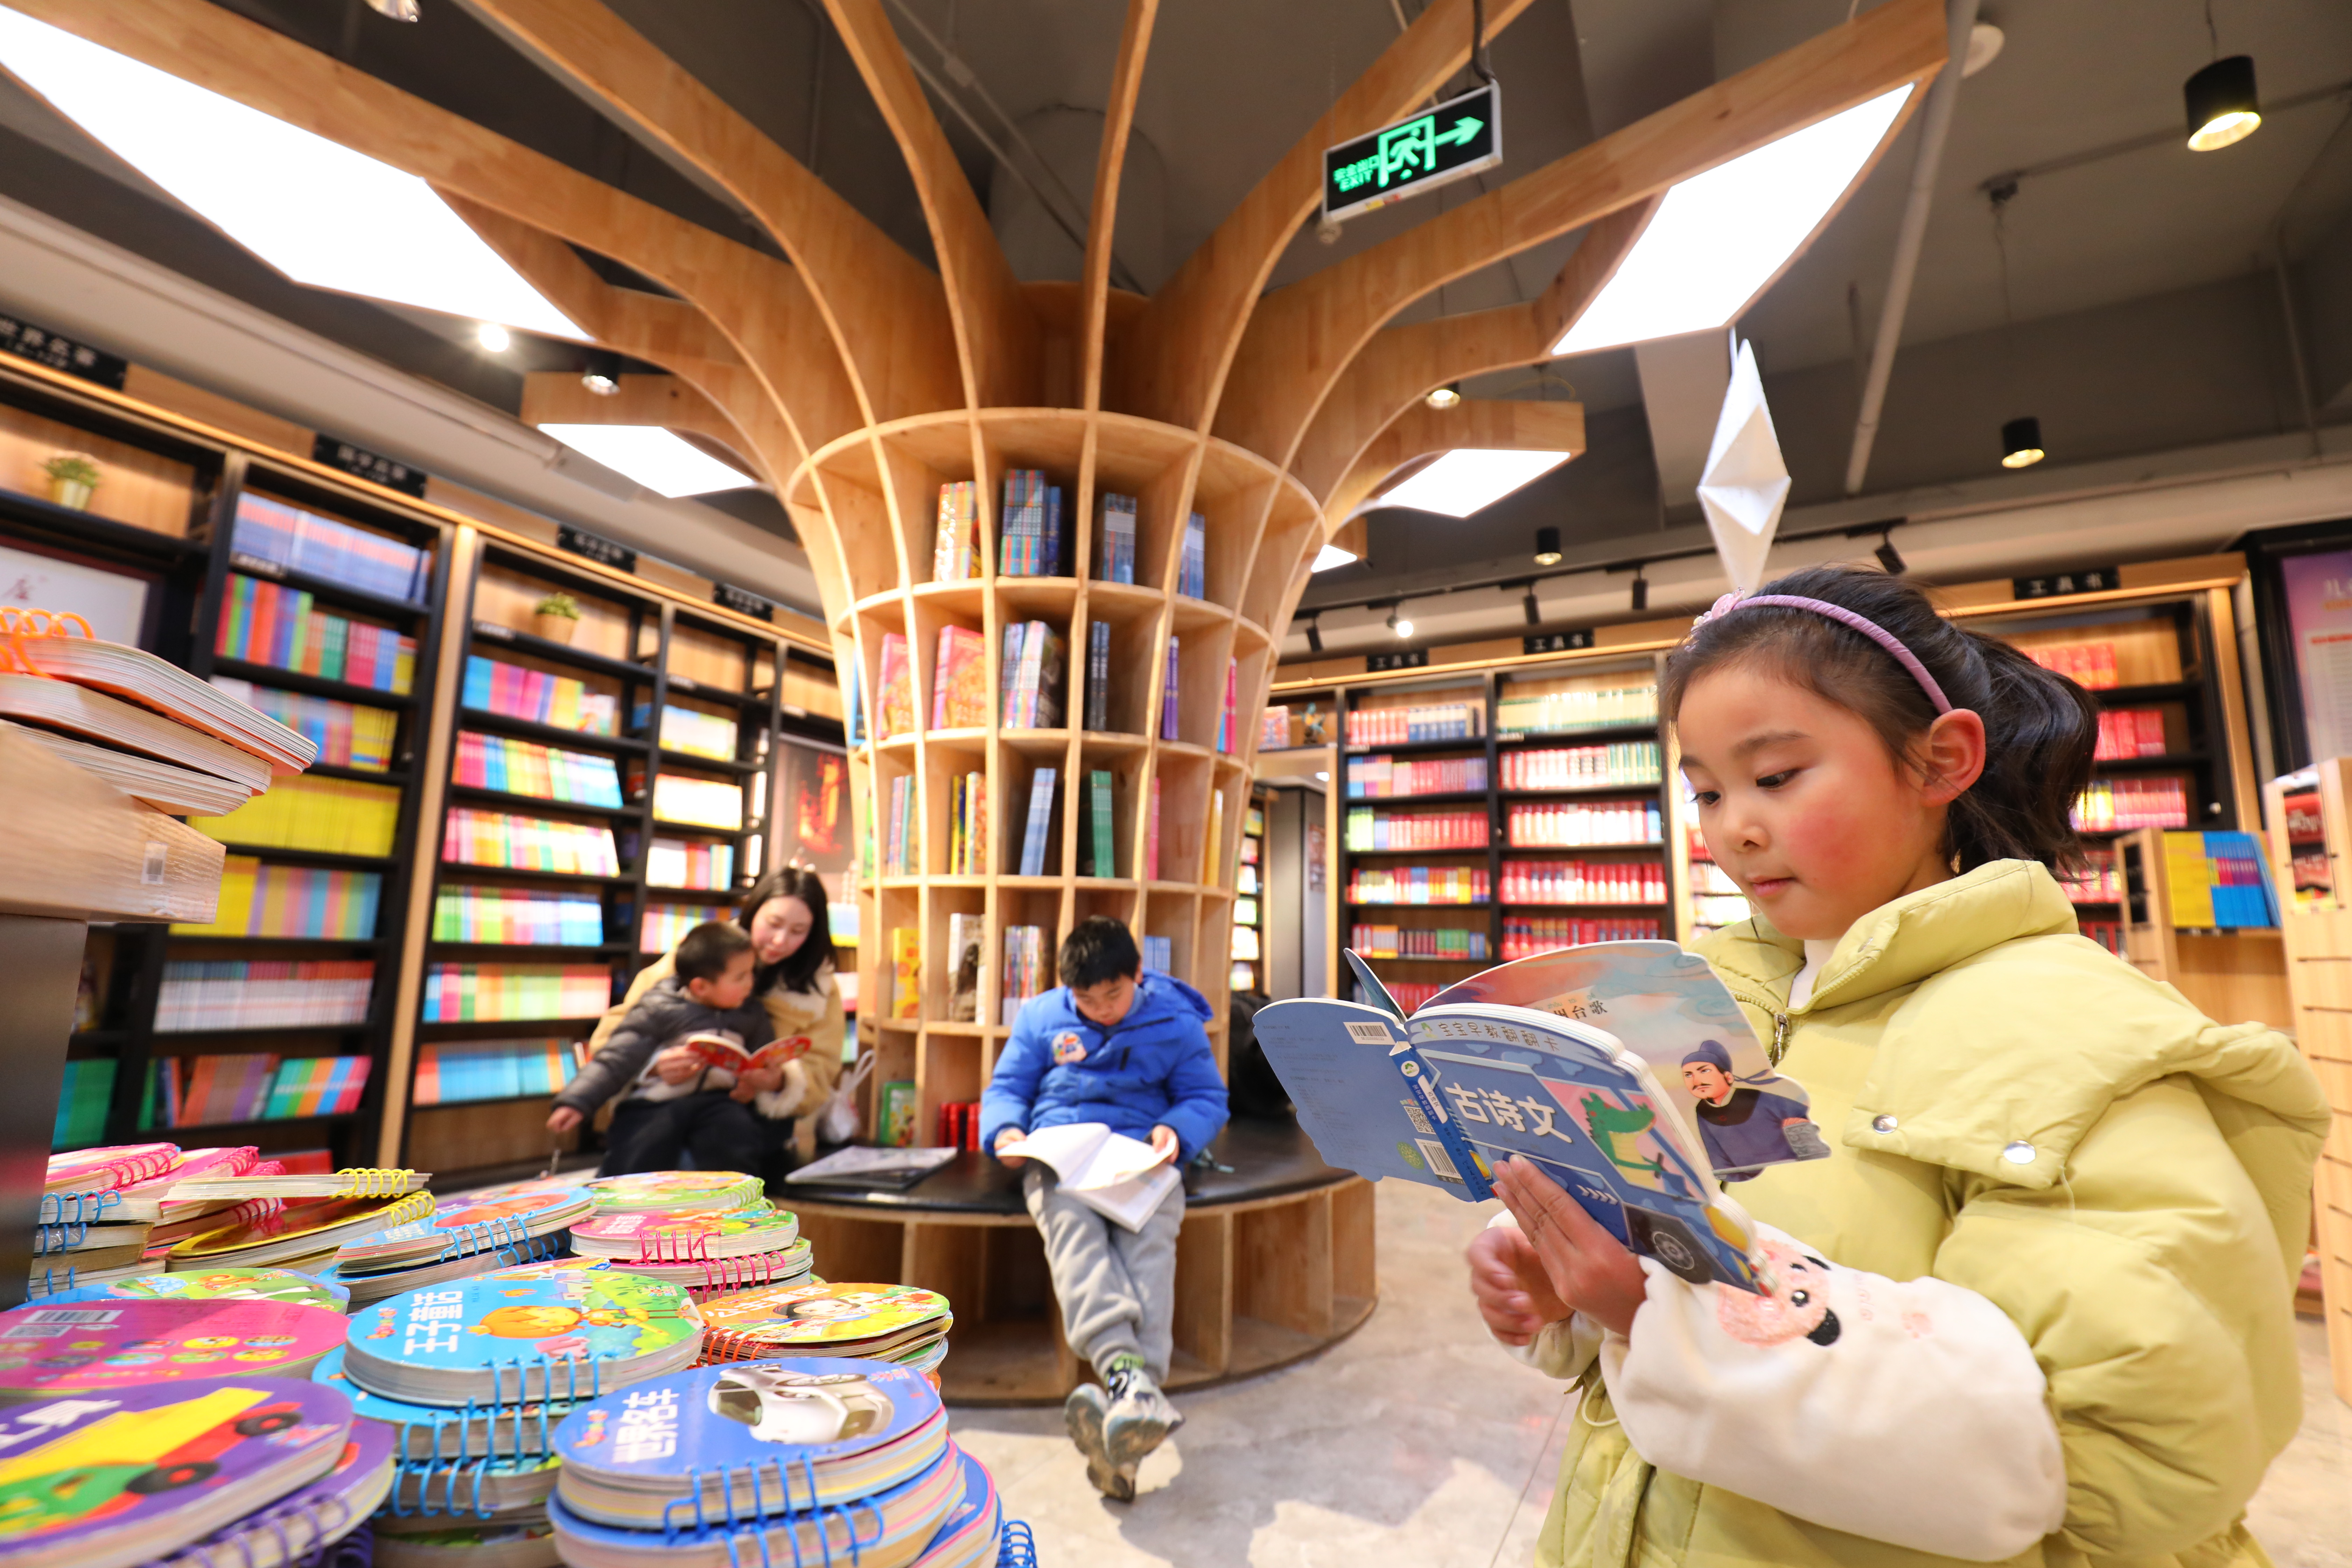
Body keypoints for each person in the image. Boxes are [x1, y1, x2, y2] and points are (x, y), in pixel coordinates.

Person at [1466, 564, 2327, 1568]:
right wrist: (1574, 1283)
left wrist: (1664, 1317)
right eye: (1706, 791)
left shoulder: (2090, 1042)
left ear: (1940, 761)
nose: (1735, 827)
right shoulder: (1710, 1004)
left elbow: (2110, 1451)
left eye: (1776, 777)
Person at [979, 916, 1228, 1502]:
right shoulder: (1041, 1016)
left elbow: (1205, 1096)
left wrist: (1176, 1130)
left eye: (1113, 995)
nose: (1101, 1011)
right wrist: (1006, 1131)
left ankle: (1130, 1396)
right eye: (1086, 1001)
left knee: (1150, 1247)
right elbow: (1007, 1089)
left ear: (1138, 974)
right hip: (1061, 1157)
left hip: (1141, 1156)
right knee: (1076, 1237)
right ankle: (1133, 1390)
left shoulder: (1176, 1019)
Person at [551, 867, 847, 1184]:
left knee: (728, 1161)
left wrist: (778, 1082)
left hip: (741, 1116)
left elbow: (821, 1068)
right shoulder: (707, 951)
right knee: (645, 1157)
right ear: (753, 911)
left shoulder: (819, 990)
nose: (780, 941)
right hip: (664, 1103)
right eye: (773, 924)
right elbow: (622, 1036)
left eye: (798, 931)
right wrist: (654, 1067)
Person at [546, 921, 777, 1175]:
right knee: (641, 1146)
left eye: (752, 973)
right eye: (740, 977)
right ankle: (621, 1193)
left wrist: (755, 1081)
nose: (750, 984)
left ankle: (735, 1196)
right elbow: (616, 1058)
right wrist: (576, 1102)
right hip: (657, 1101)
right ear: (701, 987)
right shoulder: (661, 1007)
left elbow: (763, 1056)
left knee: (737, 1135)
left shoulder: (751, 1013)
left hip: (718, 1102)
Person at [1676, 1038, 1823, 1177]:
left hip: (1795, 1172)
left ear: (1728, 1077)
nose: (1696, 1081)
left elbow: (1806, 1131)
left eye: (1704, 1071)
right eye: (1688, 1075)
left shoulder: (1760, 1099)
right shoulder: (1702, 1110)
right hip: (1747, 1183)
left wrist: (1798, 1133)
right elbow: (1716, 1155)